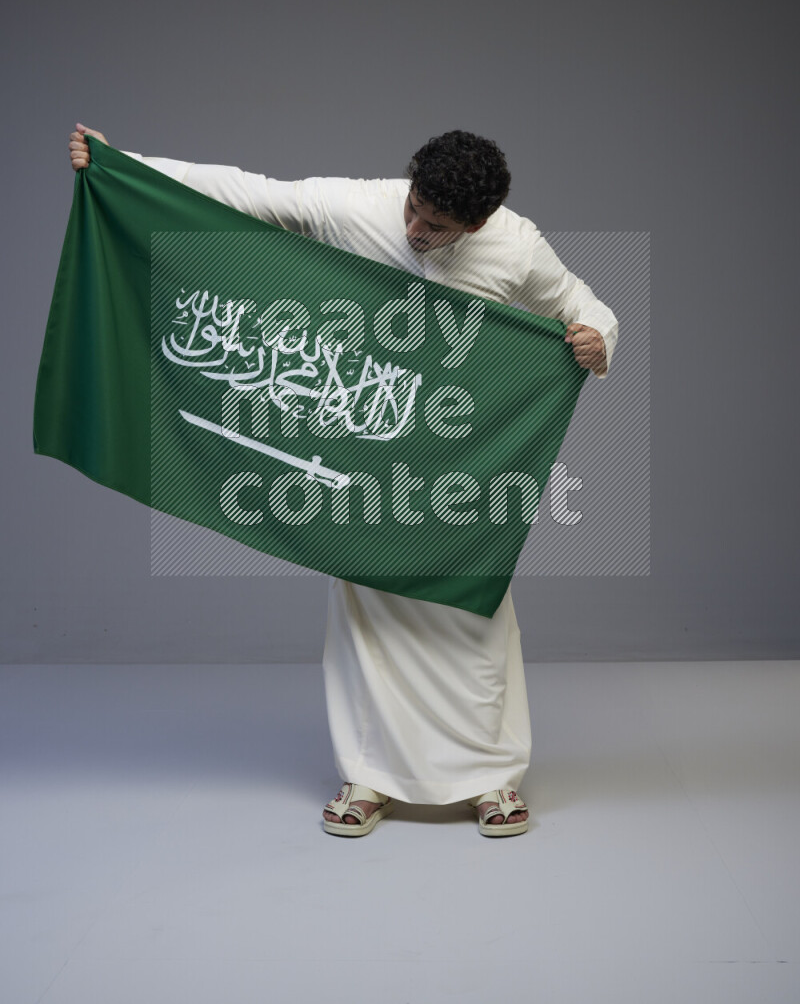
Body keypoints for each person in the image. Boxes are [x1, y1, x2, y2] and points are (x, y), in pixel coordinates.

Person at [68, 122, 618, 838]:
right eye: (415, 206)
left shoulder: (515, 244)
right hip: (362, 448)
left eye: (437, 222)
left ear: (477, 222)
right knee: (367, 615)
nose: (416, 226)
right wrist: (123, 164)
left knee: (471, 615)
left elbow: (582, 299)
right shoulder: (363, 206)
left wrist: (598, 336)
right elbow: (252, 193)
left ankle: (490, 778)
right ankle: (369, 775)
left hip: (458, 458)